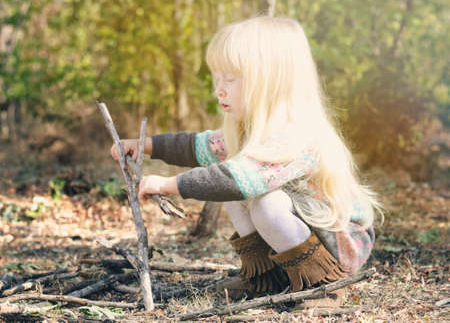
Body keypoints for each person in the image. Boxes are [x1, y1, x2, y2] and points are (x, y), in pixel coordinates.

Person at [111, 16, 382, 308]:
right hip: (307, 228)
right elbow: (196, 146)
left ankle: (323, 285)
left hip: (339, 241)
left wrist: (168, 184)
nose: (220, 89)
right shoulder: (252, 130)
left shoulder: (296, 135)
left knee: (259, 199)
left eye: (231, 78)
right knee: (235, 188)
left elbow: (236, 179)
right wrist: (145, 145)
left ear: (270, 82)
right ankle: (266, 278)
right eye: (218, 77)